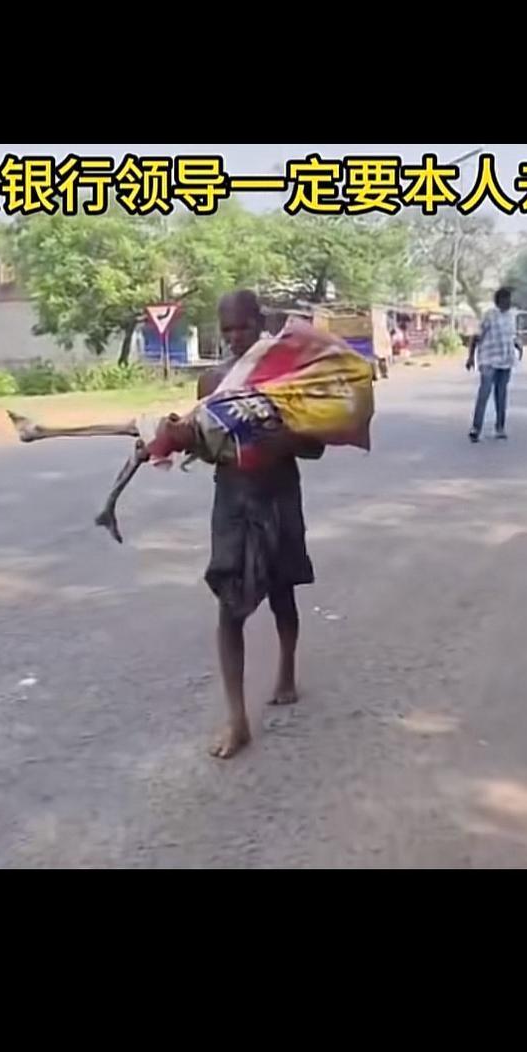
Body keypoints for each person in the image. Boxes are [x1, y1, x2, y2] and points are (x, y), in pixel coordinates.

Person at [163, 289, 323, 760]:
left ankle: (287, 670)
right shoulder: (212, 381)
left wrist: (277, 439)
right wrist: (173, 439)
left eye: (244, 328)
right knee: (229, 608)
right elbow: (207, 445)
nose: (235, 337)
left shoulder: (285, 378)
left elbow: (315, 447)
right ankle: (237, 720)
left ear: (261, 324)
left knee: (283, 591)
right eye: (227, 329)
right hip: (233, 502)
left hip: (279, 495)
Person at [467, 286, 521, 443]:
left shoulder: (511, 317)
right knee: (484, 393)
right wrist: (470, 357)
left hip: (505, 361)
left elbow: (511, 337)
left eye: (509, 299)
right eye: (506, 299)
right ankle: (476, 428)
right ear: (499, 301)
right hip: (489, 360)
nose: (509, 302)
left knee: (501, 395)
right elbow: (476, 336)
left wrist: (518, 346)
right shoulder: (489, 316)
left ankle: (500, 427)